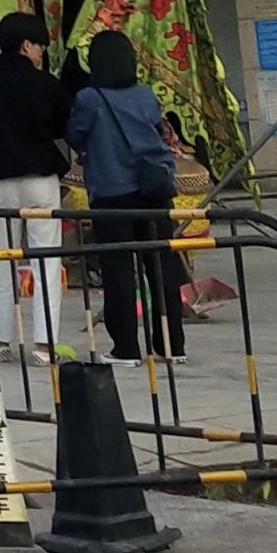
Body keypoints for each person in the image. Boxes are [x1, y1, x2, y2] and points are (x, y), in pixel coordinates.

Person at [66, 32, 186, 363]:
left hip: (112, 192)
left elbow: (75, 133)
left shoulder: (89, 98)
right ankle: (172, 345)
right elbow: (158, 130)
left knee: (118, 270)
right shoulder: (145, 95)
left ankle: (126, 348)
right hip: (153, 189)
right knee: (161, 266)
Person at [0, 12, 67, 356]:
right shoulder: (45, 83)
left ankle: (4, 341)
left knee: (1, 259)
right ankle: (43, 344)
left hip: (1, 183)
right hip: (41, 179)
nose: (41, 54)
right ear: (26, 45)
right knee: (46, 260)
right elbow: (60, 125)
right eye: (40, 47)